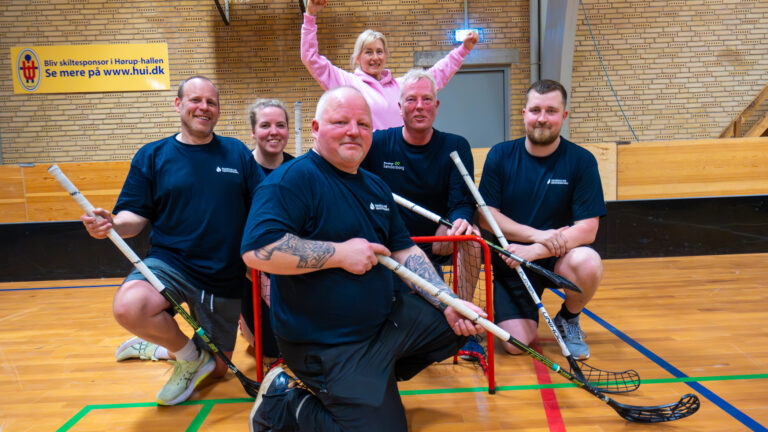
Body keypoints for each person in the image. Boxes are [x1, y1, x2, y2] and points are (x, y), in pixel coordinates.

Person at [241, 86, 485, 432]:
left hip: (382, 323)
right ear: (315, 128)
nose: (354, 131)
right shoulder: (291, 181)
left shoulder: (375, 186)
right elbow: (257, 250)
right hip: (327, 343)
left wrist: (448, 300)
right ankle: (283, 403)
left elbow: (405, 250)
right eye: (341, 122)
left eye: (363, 124)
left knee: (456, 325)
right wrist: (339, 254)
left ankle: (372, 381)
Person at [81, 76, 264, 405]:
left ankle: (158, 348)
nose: (203, 108)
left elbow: (261, 205)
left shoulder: (237, 152)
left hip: (223, 275)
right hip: (171, 264)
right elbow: (133, 218)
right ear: (178, 104)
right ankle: (188, 357)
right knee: (129, 306)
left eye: (211, 102)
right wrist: (112, 224)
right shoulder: (153, 155)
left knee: (219, 369)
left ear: (218, 110)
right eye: (195, 100)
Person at [478, 79, 606, 360]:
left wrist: (536, 250)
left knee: (588, 261)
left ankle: (568, 318)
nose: (542, 118)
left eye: (551, 111)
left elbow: (587, 229)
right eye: (536, 110)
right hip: (512, 260)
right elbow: (486, 217)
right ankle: (504, 310)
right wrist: (536, 235)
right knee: (516, 346)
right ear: (524, 114)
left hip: (557, 257)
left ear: (564, 115)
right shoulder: (500, 155)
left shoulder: (581, 161)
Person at [362, 69, 484, 359]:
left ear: (436, 106)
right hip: (392, 245)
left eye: (427, 99)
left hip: (436, 239)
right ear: (400, 106)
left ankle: (464, 319)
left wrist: (459, 220)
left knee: (471, 239)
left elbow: (461, 201)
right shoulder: (377, 144)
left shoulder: (456, 146)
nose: (420, 106)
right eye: (412, 99)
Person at [301, 0, 479, 130]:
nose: (375, 57)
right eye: (368, 52)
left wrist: (463, 50)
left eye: (379, 51)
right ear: (358, 57)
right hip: (365, 160)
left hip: (398, 160)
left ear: (386, 55)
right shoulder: (347, 83)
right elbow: (310, 57)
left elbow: (437, 75)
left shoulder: (401, 86)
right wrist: (310, 16)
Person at [240, 98, 296, 359]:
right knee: (265, 351)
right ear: (253, 131)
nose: (274, 132)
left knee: (289, 346)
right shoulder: (240, 169)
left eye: (280, 125)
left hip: (289, 270)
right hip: (249, 272)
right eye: (265, 125)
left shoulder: (298, 169)